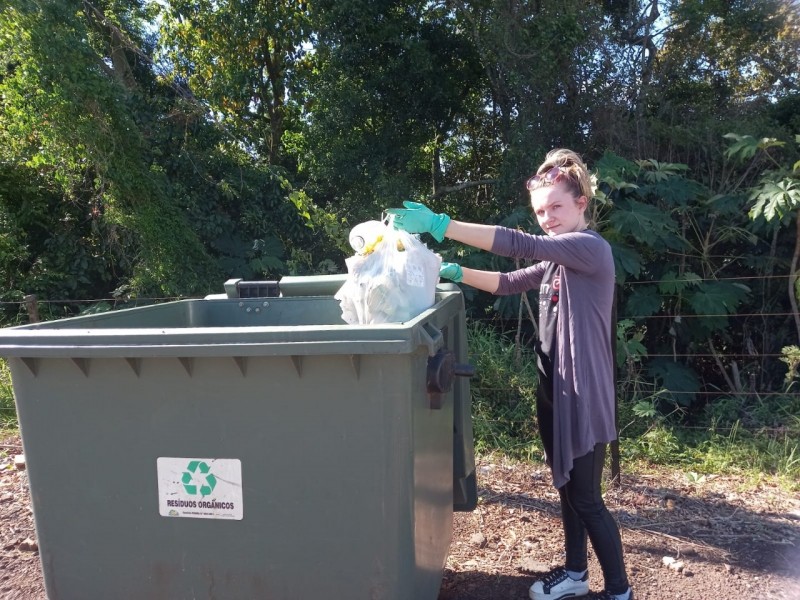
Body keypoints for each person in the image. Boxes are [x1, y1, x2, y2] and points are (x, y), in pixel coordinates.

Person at [387, 149, 633, 600]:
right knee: (567, 488)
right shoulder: (559, 262)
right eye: (540, 211)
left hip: (585, 395)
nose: (548, 218)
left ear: (581, 202)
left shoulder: (589, 249)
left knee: (587, 499)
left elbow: (523, 245)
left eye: (556, 206)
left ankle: (619, 590)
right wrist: (455, 271)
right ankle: (577, 573)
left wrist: (443, 225)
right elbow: (510, 281)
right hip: (556, 389)